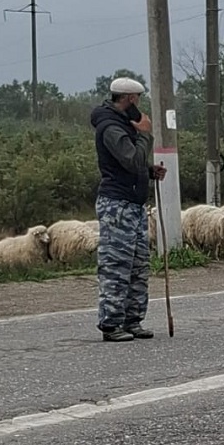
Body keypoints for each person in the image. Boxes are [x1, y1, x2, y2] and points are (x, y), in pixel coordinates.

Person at [91, 77, 165, 342]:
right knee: (117, 264)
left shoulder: (123, 125)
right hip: (117, 205)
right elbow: (130, 160)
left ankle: (132, 319)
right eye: (138, 99)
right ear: (130, 99)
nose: (140, 104)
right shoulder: (110, 126)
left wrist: (148, 172)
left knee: (137, 265)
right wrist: (145, 133)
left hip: (133, 204)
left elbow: (133, 164)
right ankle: (111, 323)